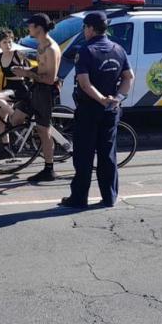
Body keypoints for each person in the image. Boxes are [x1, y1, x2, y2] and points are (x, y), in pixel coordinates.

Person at [61, 12, 134, 209]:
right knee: (107, 154)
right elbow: (129, 77)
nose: (84, 31)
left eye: (85, 27)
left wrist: (101, 99)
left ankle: (79, 199)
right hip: (111, 110)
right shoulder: (118, 49)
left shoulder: (86, 50)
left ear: (91, 29)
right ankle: (109, 197)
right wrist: (117, 98)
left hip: (89, 109)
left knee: (84, 155)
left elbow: (84, 83)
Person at [7, 14, 61, 183]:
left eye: (30, 26)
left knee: (43, 130)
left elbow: (50, 79)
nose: (28, 29)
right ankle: (26, 141)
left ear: (38, 27)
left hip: (45, 91)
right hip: (35, 88)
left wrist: (26, 73)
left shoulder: (51, 49)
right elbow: (40, 70)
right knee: (16, 117)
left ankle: (49, 169)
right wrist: (26, 68)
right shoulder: (40, 45)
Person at [0, 29, 31, 135]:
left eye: (10, 42)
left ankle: (14, 116)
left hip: (19, 88)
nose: (8, 45)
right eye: (5, 42)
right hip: (8, 88)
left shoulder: (17, 54)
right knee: (0, 120)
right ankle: (5, 143)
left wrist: (25, 62)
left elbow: (30, 64)